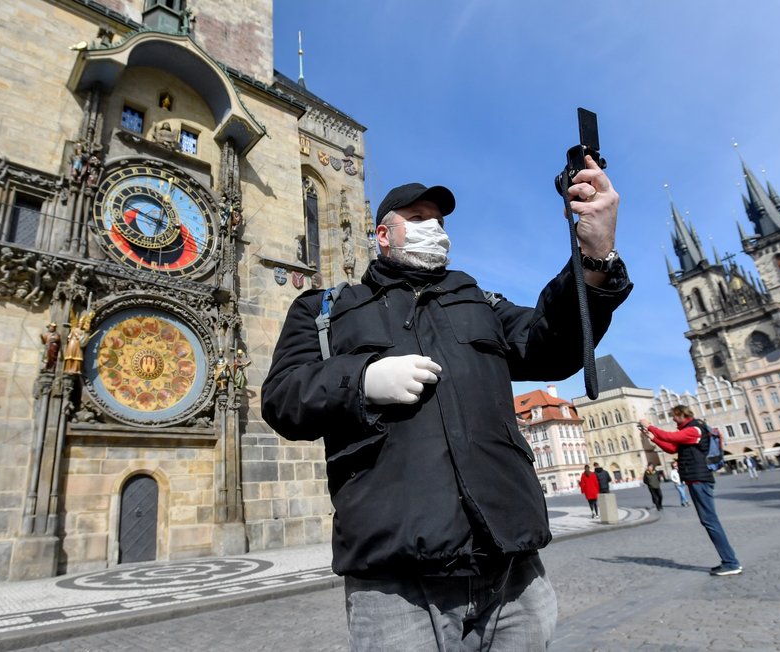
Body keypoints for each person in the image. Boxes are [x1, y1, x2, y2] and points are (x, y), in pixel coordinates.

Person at [262, 161, 631, 650]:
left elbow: (554, 345)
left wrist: (594, 252)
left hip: (511, 566)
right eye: (417, 217)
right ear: (383, 234)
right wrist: (361, 381)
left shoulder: (479, 300)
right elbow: (283, 397)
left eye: (439, 220)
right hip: (396, 578)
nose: (433, 227)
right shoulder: (326, 310)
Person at [639, 405, 743, 576]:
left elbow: (670, 436)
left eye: (674, 416)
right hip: (694, 479)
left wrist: (650, 425)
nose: (672, 419)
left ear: (681, 414)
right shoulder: (689, 430)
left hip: (699, 479)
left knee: (710, 520)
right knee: (708, 520)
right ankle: (729, 561)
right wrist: (653, 438)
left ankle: (731, 562)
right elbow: (672, 447)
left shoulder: (694, 429)